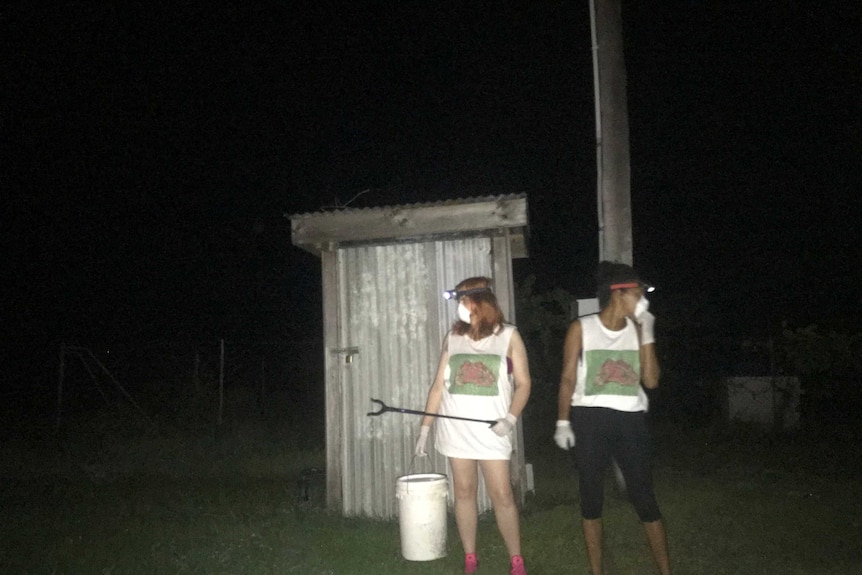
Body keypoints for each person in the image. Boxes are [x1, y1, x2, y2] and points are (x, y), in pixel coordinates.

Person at [554, 261, 671, 575]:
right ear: (619, 294)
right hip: (589, 419)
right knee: (591, 496)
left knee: (644, 496)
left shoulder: (638, 328)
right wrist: (562, 420)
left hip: (630, 421)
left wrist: (647, 333)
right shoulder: (582, 327)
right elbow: (567, 378)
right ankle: (597, 571)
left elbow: (652, 381)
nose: (643, 300)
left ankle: (665, 571)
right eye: (639, 293)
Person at [415, 277, 532, 575]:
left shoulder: (508, 336)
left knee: (502, 495)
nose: (460, 308)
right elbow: (438, 388)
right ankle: (470, 557)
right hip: (456, 431)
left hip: (493, 432)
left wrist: (510, 418)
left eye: (464, 301)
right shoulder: (453, 338)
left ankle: (516, 560)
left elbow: (524, 384)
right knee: (464, 492)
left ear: (481, 302)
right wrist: (425, 430)